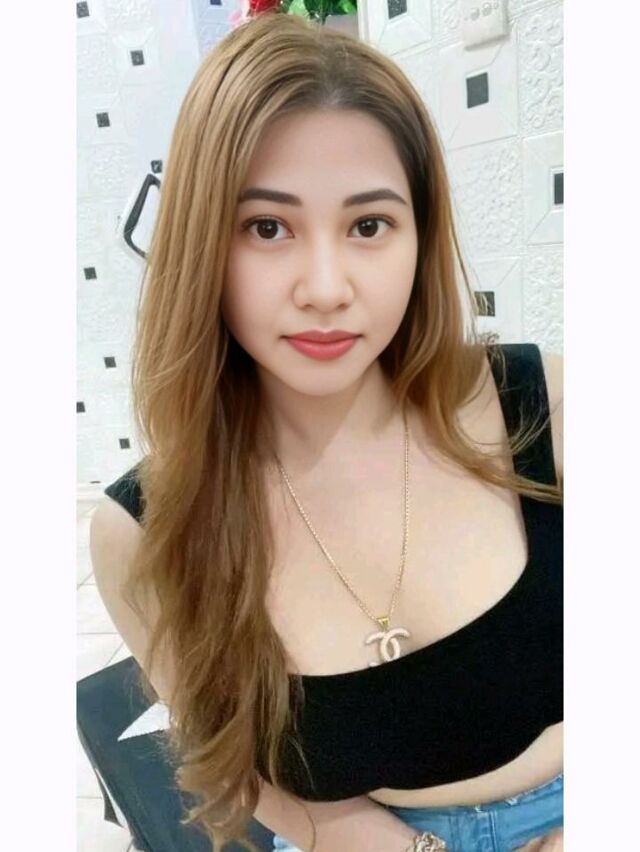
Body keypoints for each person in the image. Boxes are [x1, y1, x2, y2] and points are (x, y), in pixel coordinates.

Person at [90, 10, 563, 852]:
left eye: (368, 225)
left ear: (420, 236)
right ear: (201, 245)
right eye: (266, 227)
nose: (325, 287)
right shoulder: (144, 532)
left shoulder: (553, 407)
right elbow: (247, 772)